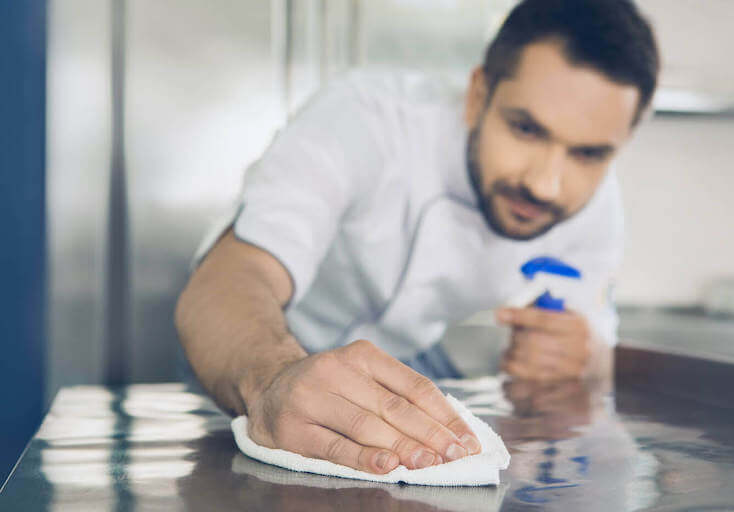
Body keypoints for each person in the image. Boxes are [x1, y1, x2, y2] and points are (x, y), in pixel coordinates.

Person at [175, 0, 659, 475]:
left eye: (589, 154)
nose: (545, 184)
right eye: (526, 129)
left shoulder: (595, 208)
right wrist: (271, 380)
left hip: (409, 363)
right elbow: (231, 280)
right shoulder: (365, 117)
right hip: (255, 351)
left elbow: (596, 356)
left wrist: (577, 357)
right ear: (477, 95)